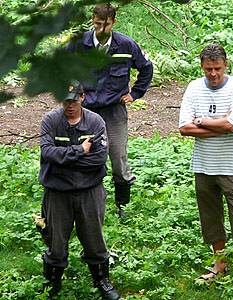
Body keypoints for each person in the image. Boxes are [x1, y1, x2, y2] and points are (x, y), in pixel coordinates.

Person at [179, 44, 233, 300]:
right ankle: (220, 263)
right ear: (201, 66)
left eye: (217, 68)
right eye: (208, 69)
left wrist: (201, 121)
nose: (213, 74)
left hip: (230, 165)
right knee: (211, 218)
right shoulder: (194, 87)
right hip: (203, 165)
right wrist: (219, 125)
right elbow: (184, 128)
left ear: (225, 65)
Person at [66, 3, 153, 217]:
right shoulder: (79, 44)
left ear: (113, 22)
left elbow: (146, 67)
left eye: (105, 25)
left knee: (118, 158)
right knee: (82, 156)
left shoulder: (126, 45)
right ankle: (84, 205)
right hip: (86, 111)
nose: (100, 29)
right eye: (96, 24)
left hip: (114, 111)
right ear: (92, 20)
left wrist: (135, 94)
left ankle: (122, 205)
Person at [38, 83, 120, 300]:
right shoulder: (50, 121)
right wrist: (79, 151)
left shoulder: (95, 122)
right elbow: (47, 153)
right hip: (57, 192)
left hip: (89, 191)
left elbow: (99, 158)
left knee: (94, 237)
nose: (69, 105)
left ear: (83, 98)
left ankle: (101, 279)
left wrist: (64, 160)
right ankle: (52, 280)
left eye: (74, 100)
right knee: (55, 240)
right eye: (65, 100)